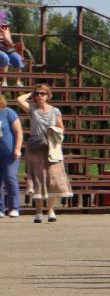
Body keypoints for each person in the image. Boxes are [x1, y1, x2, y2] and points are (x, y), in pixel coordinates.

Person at [22, 86, 68, 221]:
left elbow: (61, 127)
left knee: (52, 179)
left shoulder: (55, 110)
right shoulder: (32, 109)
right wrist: (31, 93)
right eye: (37, 94)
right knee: (38, 179)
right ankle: (38, 212)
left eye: (42, 93)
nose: (40, 96)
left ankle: (51, 211)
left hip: (51, 147)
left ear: (48, 95)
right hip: (36, 147)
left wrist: (53, 130)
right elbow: (19, 99)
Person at [3, 93, 23, 216]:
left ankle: (14, 207)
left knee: (10, 177)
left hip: (9, 152)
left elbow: (18, 132)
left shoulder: (8, 112)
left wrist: (17, 148)